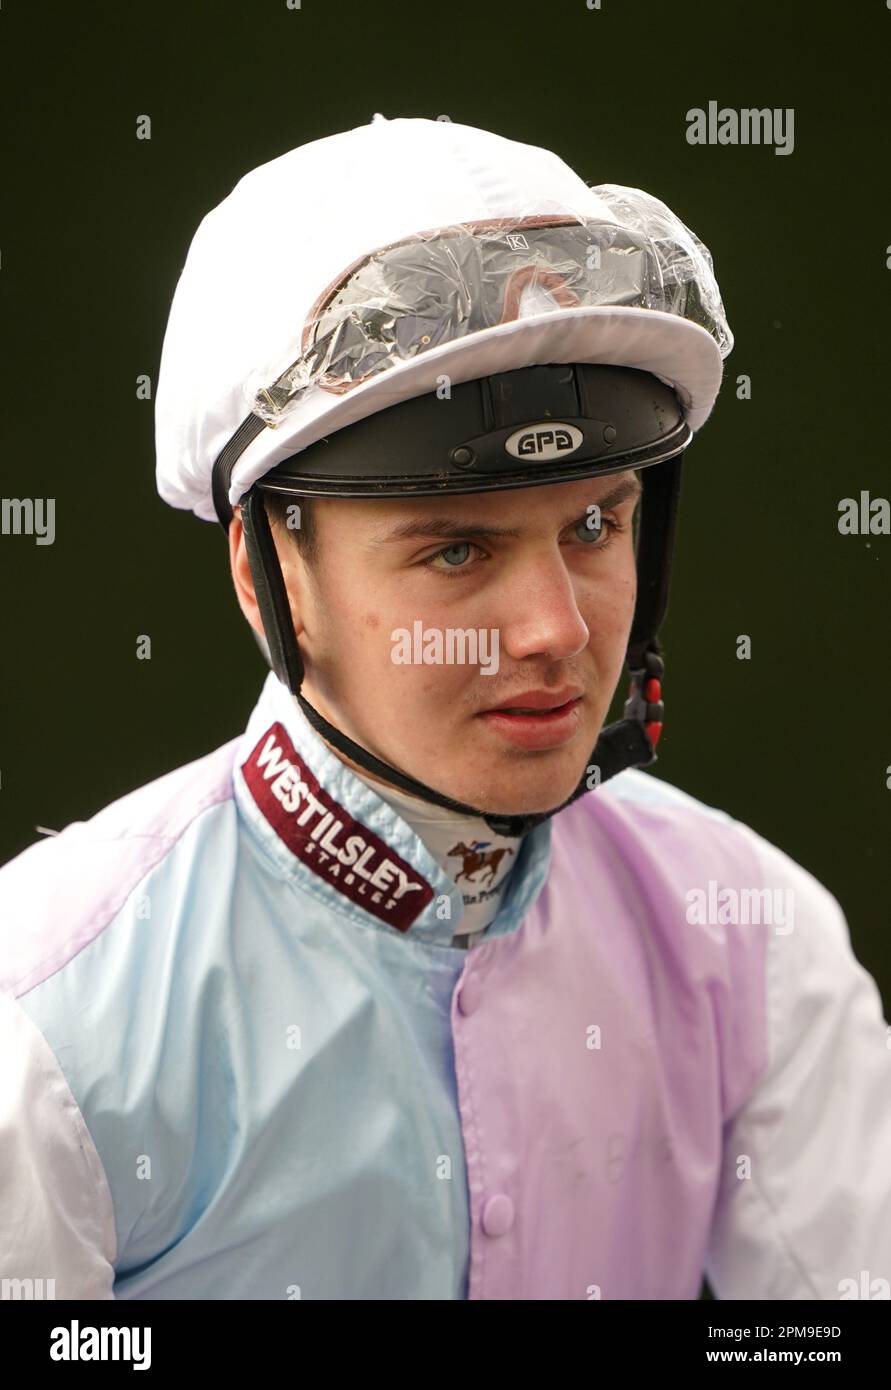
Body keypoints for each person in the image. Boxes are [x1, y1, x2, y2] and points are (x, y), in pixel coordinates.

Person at [1, 114, 889, 1302]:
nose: (558, 630)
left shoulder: (760, 942)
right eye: (460, 549)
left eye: (594, 526)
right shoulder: (42, 1017)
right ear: (268, 579)